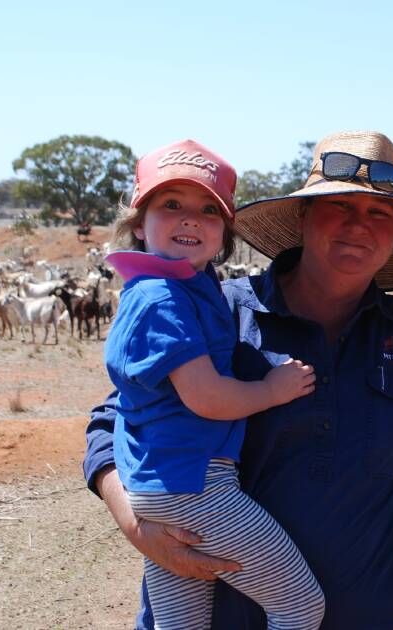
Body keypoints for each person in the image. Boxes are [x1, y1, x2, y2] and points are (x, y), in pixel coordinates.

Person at [83, 130, 393, 629]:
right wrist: (136, 522)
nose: (359, 226)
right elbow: (111, 420)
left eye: (379, 214)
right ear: (304, 218)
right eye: (340, 207)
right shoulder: (222, 314)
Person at [102, 139, 324, 629]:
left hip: (159, 484)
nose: (190, 219)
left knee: (182, 624)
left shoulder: (179, 289)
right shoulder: (164, 300)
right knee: (300, 605)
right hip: (197, 486)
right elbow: (204, 396)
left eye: (209, 210)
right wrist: (273, 389)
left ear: (224, 234)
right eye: (171, 205)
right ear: (139, 224)